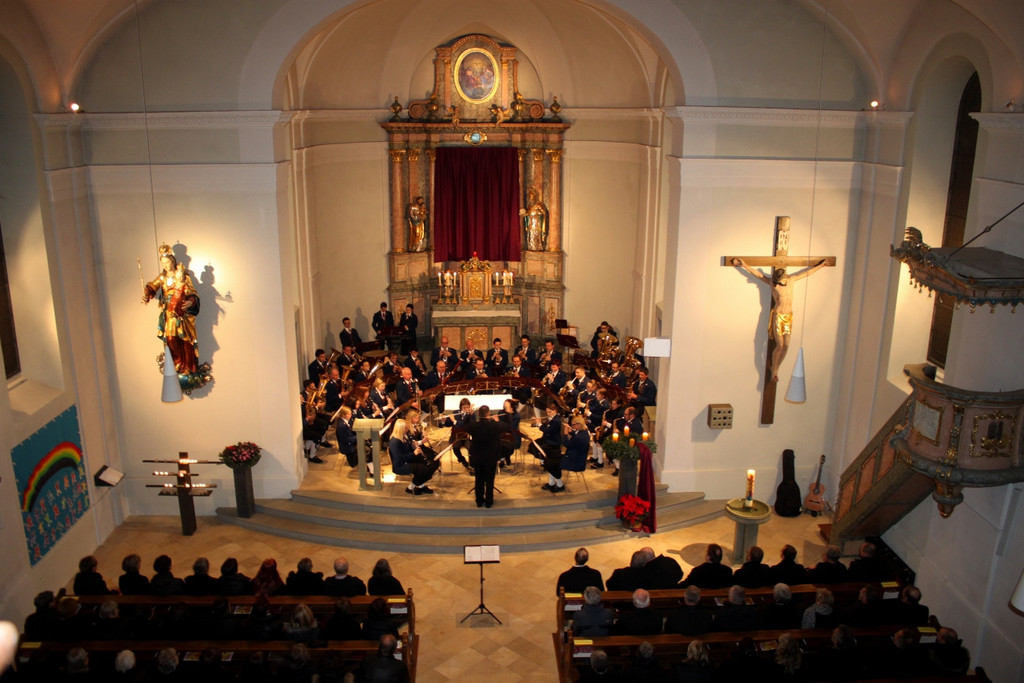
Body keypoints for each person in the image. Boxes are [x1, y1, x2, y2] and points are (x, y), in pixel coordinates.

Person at [732, 256, 830, 382]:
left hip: (788, 316)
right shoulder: (774, 284)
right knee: (780, 345)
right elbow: (757, 274)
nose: (779, 284)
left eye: (781, 282)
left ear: (785, 278)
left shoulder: (792, 280)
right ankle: (775, 370)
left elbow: (806, 273)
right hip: (779, 316)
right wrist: (744, 265)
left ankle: (776, 366)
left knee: (786, 346)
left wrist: (821, 266)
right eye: (777, 282)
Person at [142, 243, 200, 376]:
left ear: (172, 261)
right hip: (168, 312)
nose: (166, 266)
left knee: (184, 338)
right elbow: (153, 286)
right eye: (163, 263)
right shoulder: (162, 278)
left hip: (181, 313)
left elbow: (192, 294)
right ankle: (176, 364)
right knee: (170, 338)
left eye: (167, 262)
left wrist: (190, 303)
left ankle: (187, 366)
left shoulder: (184, 276)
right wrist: (147, 293)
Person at [463, 405, 513, 508]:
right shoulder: (495, 426)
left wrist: (468, 414)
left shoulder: (474, 426)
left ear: (478, 414)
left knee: (479, 479)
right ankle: (489, 502)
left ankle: (479, 501)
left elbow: (465, 425)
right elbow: (508, 426)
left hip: (477, 456)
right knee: (490, 480)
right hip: (491, 457)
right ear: (488, 413)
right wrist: (505, 415)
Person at [389, 419, 438, 495]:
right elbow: (400, 458)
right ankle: (411, 487)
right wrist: (414, 453)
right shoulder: (395, 442)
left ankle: (420, 485)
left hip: (408, 459)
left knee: (432, 463)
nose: (407, 429)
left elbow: (407, 449)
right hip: (401, 465)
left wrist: (413, 446)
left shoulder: (403, 436)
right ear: (400, 429)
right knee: (424, 468)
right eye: (405, 428)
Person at [542, 415, 588, 493]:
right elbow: (576, 433)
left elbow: (566, 444)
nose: (572, 426)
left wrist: (566, 433)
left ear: (579, 424)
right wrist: (571, 431)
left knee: (552, 463)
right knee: (550, 459)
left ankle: (560, 485)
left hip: (575, 460)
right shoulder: (584, 432)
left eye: (573, 425)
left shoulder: (579, 437)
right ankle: (552, 482)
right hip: (574, 455)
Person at [439, 397, 474, 473]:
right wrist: (444, 421)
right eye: (464, 407)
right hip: (457, 437)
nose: (466, 409)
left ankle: (472, 466)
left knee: (471, 448)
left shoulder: (472, 415)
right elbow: (449, 424)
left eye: (467, 407)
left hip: (467, 437)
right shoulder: (456, 413)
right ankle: (463, 461)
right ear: (460, 407)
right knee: (456, 447)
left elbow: (466, 425)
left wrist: (455, 421)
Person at [520, 186, 548, 251]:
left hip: (537, 225)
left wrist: (537, 211)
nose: (531, 199)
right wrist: (525, 213)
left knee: (537, 238)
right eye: (530, 198)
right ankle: (531, 248)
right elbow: (528, 213)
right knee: (530, 238)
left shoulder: (539, 205)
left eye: (532, 198)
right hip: (531, 225)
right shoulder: (529, 206)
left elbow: (544, 213)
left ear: (535, 197)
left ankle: (538, 249)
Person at [497, 398, 521, 469]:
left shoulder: (517, 416)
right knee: (499, 443)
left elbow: (510, 427)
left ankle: (506, 456)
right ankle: (502, 459)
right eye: (505, 406)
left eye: (507, 406)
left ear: (512, 407)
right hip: (502, 434)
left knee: (508, 444)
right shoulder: (501, 412)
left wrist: (499, 421)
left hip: (512, 435)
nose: (505, 408)